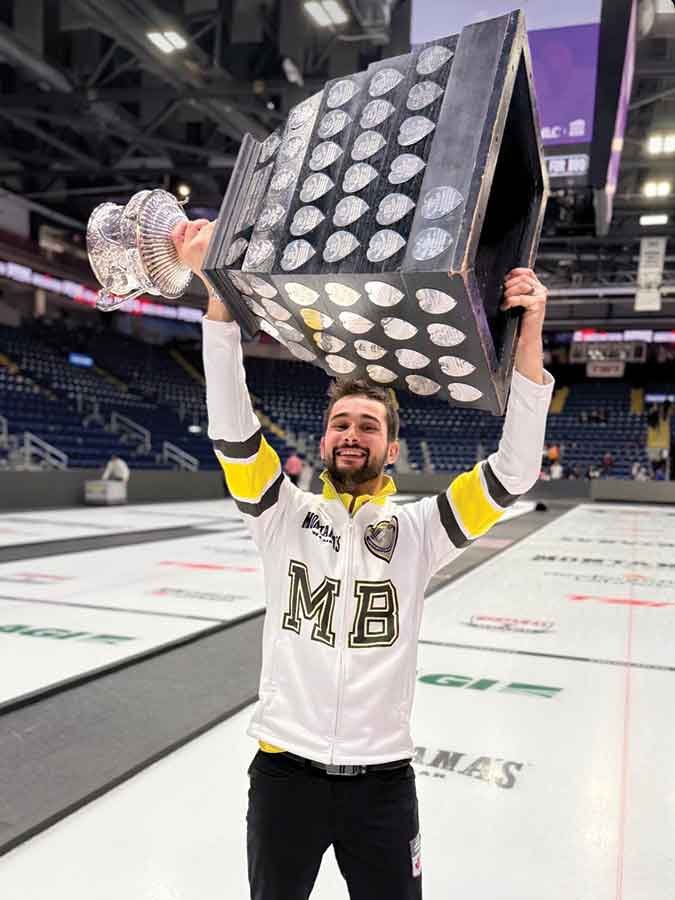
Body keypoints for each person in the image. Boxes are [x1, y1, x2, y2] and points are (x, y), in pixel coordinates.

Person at [172, 218, 554, 900]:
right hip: (284, 774)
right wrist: (218, 298)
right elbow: (233, 429)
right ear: (322, 439)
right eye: (340, 424)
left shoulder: (422, 528)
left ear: (390, 447)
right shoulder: (280, 514)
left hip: (382, 785)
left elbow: (516, 469)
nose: (352, 435)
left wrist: (528, 330)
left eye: (368, 426)